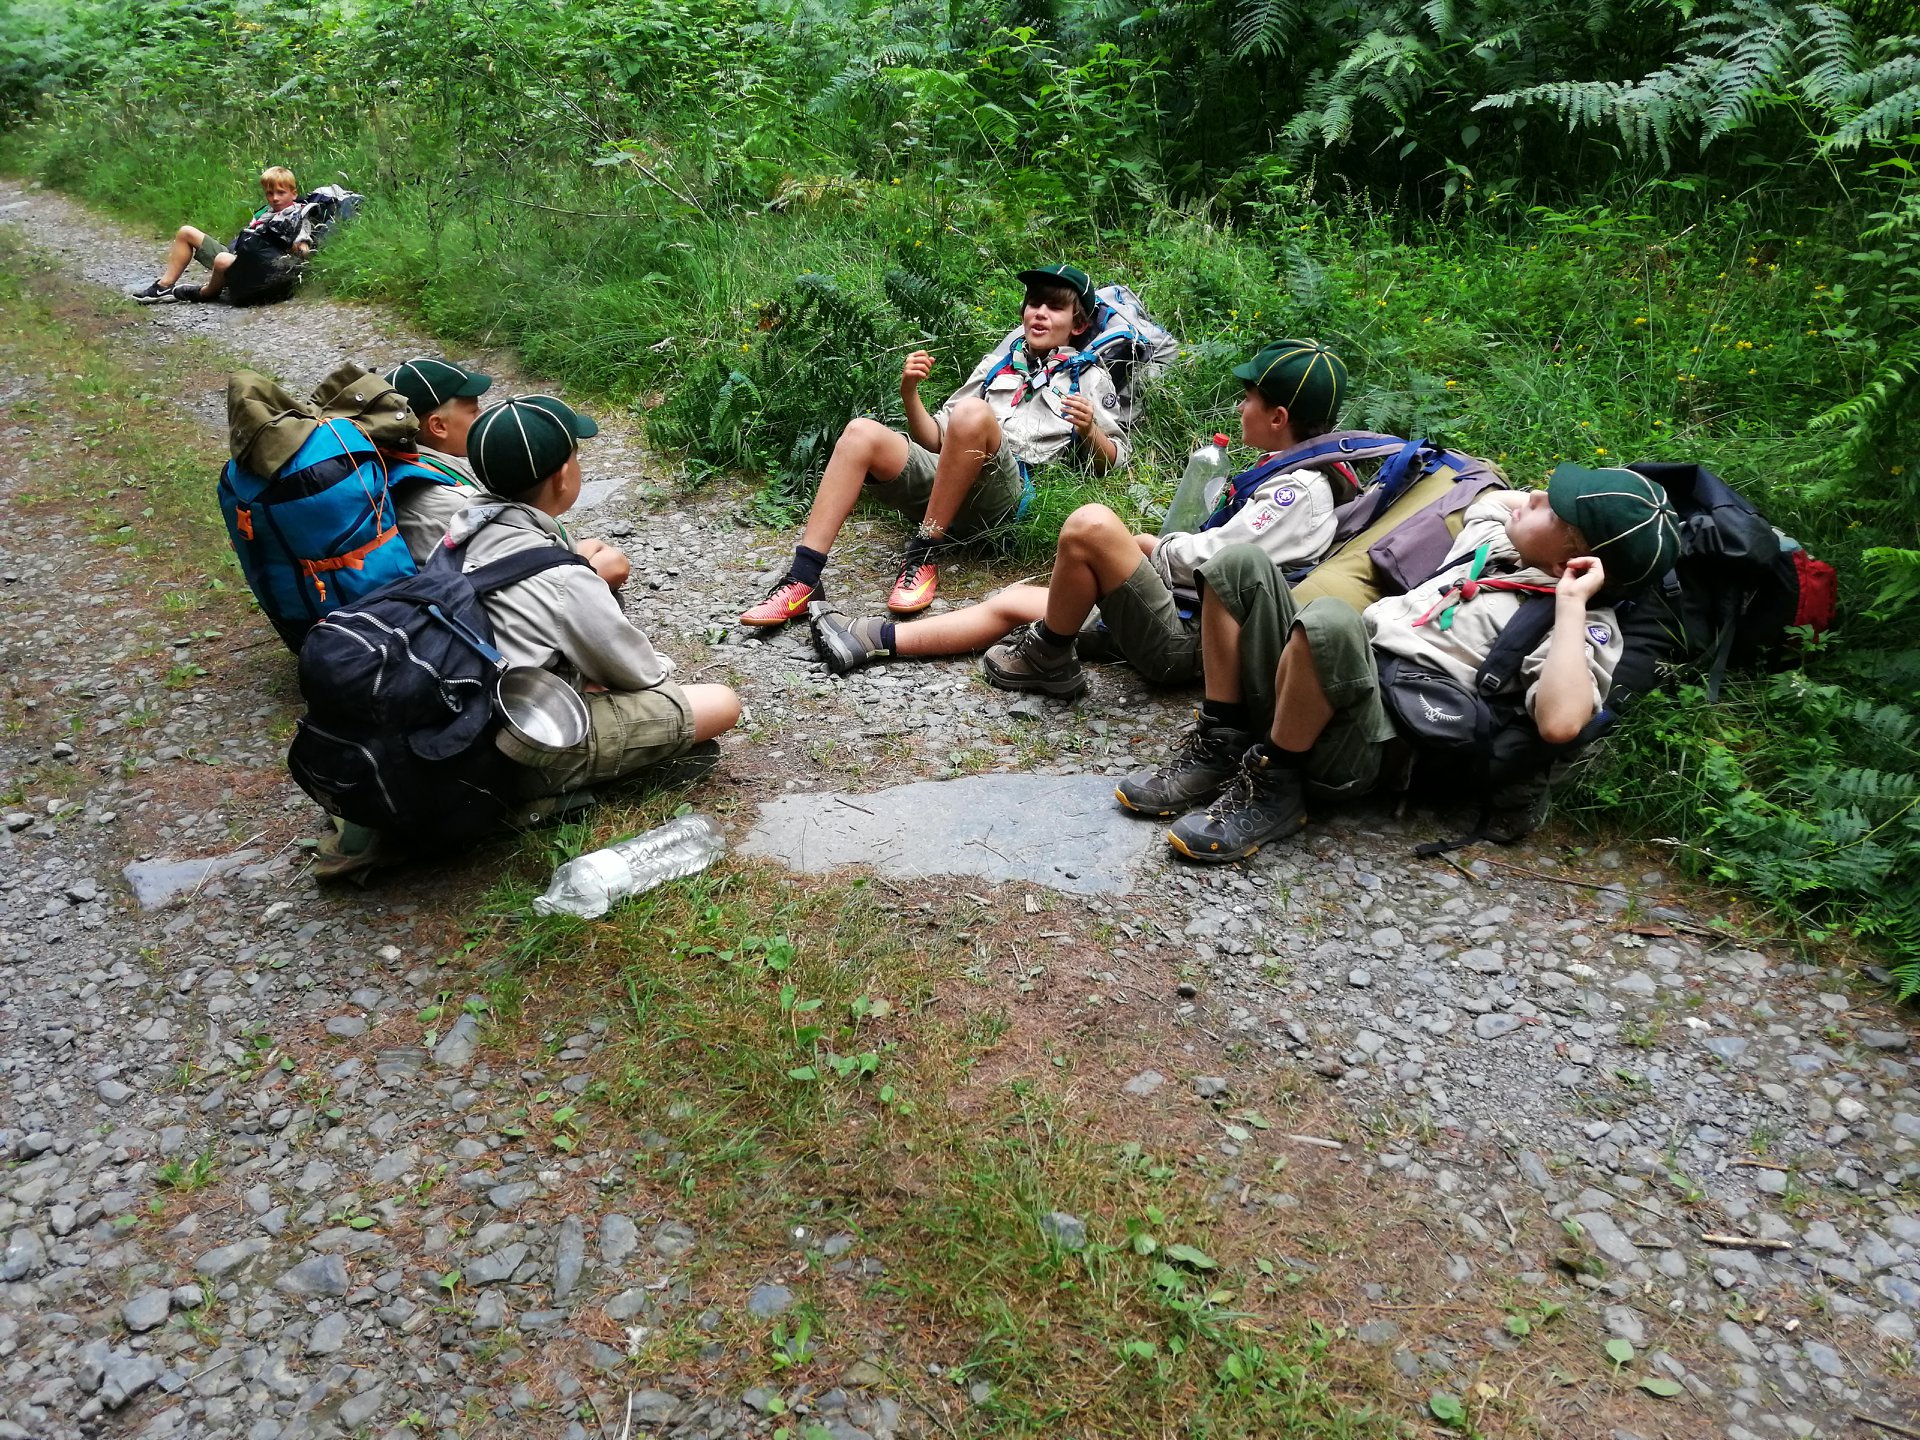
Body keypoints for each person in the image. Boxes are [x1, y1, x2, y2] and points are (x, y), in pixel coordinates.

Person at [1117, 464, 1682, 862]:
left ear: (1572, 560)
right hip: (1313, 690)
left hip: (1370, 743)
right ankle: (1224, 739)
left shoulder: (1577, 625)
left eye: (1550, 507)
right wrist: (1546, 521)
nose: (1532, 495)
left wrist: (1572, 599)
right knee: (1238, 564)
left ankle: (1275, 786)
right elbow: (1495, 501)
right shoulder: (1493, 548)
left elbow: (1561, 721)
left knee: (1330, 621)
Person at [809, 339, 1355, 702]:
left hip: (1190, 642)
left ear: (1278, 417)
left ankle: (1047, 658)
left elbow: (1221, 566)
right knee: (1013, 601)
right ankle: (872, 639)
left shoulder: (1299, 491)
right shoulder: (1289, 472)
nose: (1240, 407)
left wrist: (1153, 547)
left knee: (1092, 524)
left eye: (1248, 398)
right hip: (1188, 617)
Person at [739, 263, 1132, 626]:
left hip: (1008, 498)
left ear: (1078, 324)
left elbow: (1116, 459)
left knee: (972, 414)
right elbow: (936, 439)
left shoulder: (1089, 378)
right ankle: (803, 578)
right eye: (1034, 304)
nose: (1040, 313)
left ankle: (923, 553)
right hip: (950, 484)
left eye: (1055, 307)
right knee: (860, 432)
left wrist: (1089, 430)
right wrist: (909, 393)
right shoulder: (997, 366)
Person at [454, 395, 740, 802]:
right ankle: (547, 796)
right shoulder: (563, 578)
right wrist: (656, 667)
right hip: (518, 747)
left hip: (462, 717)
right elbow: (639, 674)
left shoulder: (459, 530)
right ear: (563, 476)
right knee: (721, 703)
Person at [377, 359, 634, 592]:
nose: (480, 415)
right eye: (473, 411)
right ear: (438, 426)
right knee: (610, 563)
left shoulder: (398, 462)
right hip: (484, 598)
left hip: (462, 577)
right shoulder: (447, 500)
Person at [127, 166, 314, 305]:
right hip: (239, 259)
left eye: (281, 193)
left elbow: (304, 247)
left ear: (293, 194)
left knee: (222, 259)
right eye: (270, 193)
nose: (275, 198)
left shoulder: (297, 216)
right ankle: (162, 287)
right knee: (186, 232)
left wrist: (294, 248)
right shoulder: (265, 212)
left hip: (261, 270)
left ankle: (206, 293)